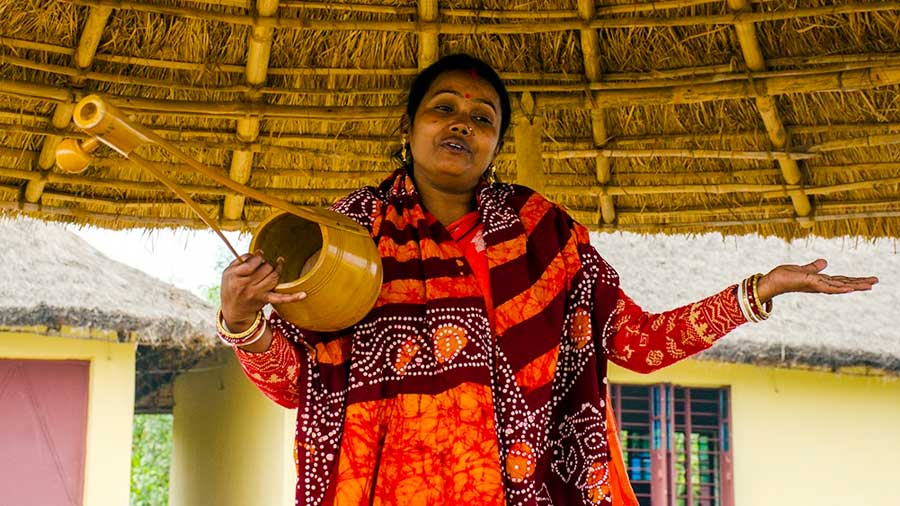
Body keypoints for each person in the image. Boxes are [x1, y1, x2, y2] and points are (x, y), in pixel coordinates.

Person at [217, 54, 878, 506]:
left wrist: (759, 289)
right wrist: (245, 322)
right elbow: (300, 386)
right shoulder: (347, 235)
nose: (461, 125)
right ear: (408, 128)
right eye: (443, 108)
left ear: (496, 145)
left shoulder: (545, 234)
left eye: (483, 119)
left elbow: (639, 342)